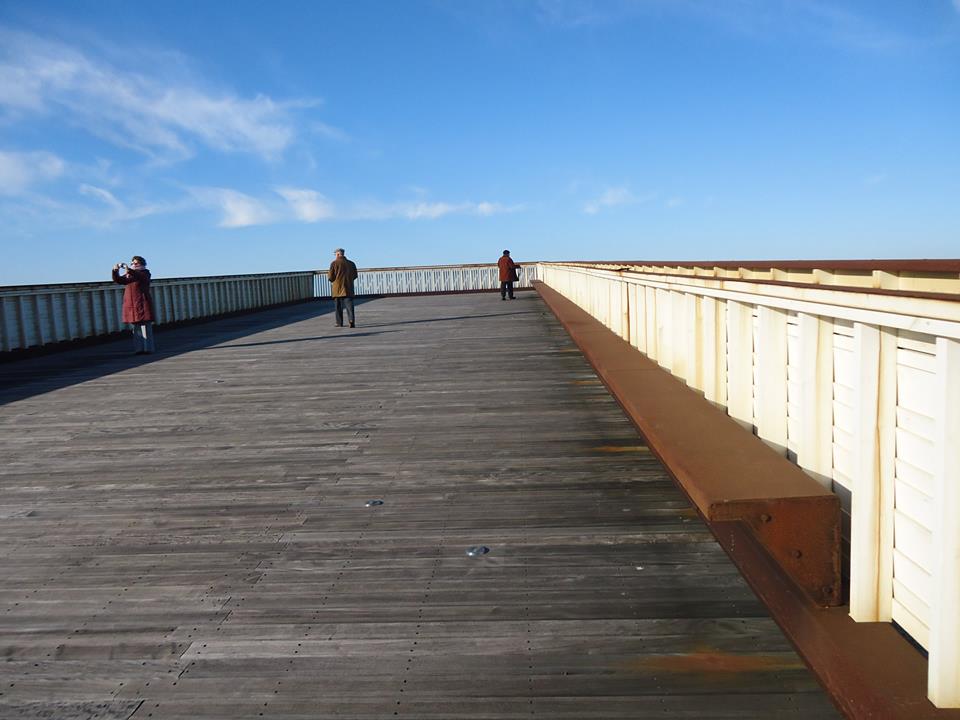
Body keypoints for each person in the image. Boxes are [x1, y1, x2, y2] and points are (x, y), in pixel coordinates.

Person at [111, 255, 155, 355]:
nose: (133, 265)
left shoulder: (145, 273)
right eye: (132, 263)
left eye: (136, 263)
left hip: (143, 303)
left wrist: (129, 270)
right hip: (132, 304)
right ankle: (139, 349)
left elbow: (140, 276)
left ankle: (148, 349)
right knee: (136, 328)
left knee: (146, 327)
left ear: (142, 264)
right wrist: (115, 271)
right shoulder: (129, 275)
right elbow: (119, 280)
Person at [328, 247, 359, 327]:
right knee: (349, 306)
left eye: (335, 254)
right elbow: (355, 275)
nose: (335, 256)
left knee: (338, 306)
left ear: (338, 254)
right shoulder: (351, 263)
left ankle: (339, 322)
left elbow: (330, 277)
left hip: (337, 289)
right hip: (348, 288)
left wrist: (333, 280)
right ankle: (351, 320)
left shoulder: (334, 263)